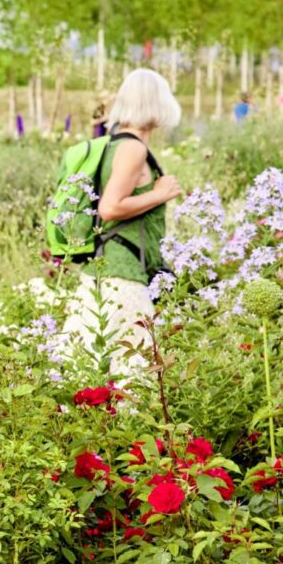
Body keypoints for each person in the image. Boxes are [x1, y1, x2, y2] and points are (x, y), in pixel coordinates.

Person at [63, 68, 183, 381]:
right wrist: (160, 194)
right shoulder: (132, 148)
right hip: (123, 276)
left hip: (104, 273)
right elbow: (111, 207)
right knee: (138, 376)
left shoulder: (114, 144)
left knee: (78, 370)